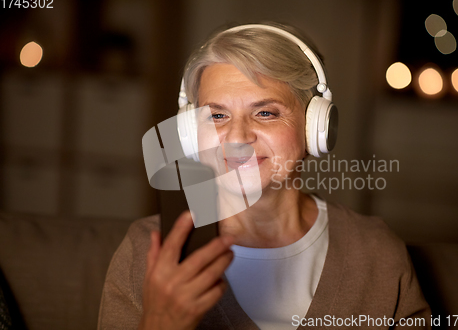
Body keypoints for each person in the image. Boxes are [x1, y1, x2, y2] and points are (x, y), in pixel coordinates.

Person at [98, 23, 431, 330]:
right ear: (188, 134)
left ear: (315, 127)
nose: (237, 137)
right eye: (216, 115)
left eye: (265, 113)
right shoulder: (147, 251)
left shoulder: (376, 252)